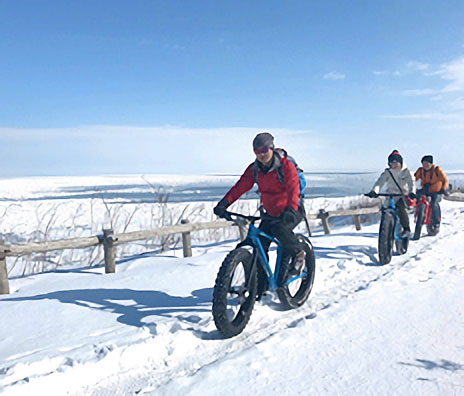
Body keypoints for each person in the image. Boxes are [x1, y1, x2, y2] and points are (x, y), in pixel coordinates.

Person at [213, 132, 306, 295]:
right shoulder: (254, 169)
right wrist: (224, 203)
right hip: (270, 213)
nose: (261, 154)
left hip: (291, 209)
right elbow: (240, 186)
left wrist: (291, 208)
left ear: (271, 148)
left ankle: (299, 253)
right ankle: (260, 287)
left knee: (281, 231)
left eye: (264, 149)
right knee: (259, 245)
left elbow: (293, 187)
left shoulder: (285, 166)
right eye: (257, 151)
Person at [366, 150, 416, 237]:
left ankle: (406, 228)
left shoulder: (406, 172)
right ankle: (386, 228)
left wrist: (412, 192)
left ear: (400, 162)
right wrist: (375, 191)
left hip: (402, 195)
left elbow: (412, 182)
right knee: (385, 210)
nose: (394, 164)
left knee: (401, 208)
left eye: (396, 162)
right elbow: (380, 182)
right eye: (391, 163)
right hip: (390, 194)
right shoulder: (388, 172)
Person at [414, 155, 448, 233]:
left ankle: (436, 222)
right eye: (423, 163)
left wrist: (444, 189)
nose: (425, 165)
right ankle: (420, 219)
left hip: (437, 191)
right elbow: (413, 179)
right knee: (419, 202)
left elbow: (444, 180)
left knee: (434, 204)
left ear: (431, 163)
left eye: (426, 163)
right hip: (425, 191)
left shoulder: (437, 170)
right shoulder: (420, 171)